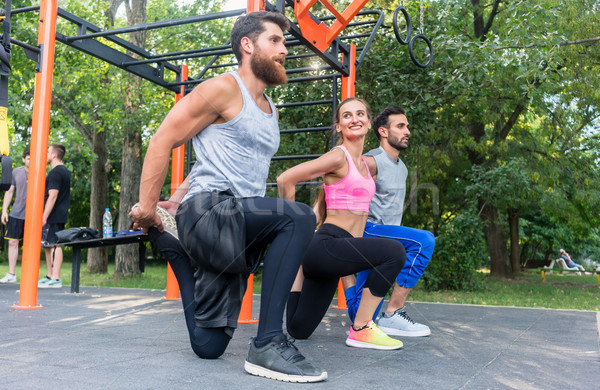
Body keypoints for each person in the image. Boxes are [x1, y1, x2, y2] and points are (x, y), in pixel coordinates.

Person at [129, 12, 327, 383]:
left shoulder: (270, 109)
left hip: (237, 224)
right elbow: (162, 140)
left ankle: (173, 246)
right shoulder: (222, 87)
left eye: (284, 42)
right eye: (275, 40)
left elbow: (212, 157)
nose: (284, 49)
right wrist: (147, 207)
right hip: (211, 212)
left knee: (209, 346)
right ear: (247, 45)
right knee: (299, 216)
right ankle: (268, 342)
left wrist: (176, 196)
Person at [278, 97, 407, 350]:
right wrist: (292, 230)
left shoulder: (365, 166)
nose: (354, 119)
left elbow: (328, 198)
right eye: (347, 115)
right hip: (328, 244)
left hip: (333, 255)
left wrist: (298, 260)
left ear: (369, 123)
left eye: (360, 114)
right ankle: (361, 328)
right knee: (394, 252)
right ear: (338, 126)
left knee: (298, 329)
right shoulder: (339, 157)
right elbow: (285, 179)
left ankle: (299, 268)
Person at [343, 106, 435, 337]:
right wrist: (342, 234)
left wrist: (345, 272)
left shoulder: (401, 167)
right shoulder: (372, 161)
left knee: (359, 317)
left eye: (407, 126)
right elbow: (340, 187)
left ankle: (346, 275)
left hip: (385, 240)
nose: (408, 131)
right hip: (369, 231)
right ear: (383, 131)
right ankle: (393, 313)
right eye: (401, 126)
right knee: (424, 241)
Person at [38, 143, 70, 288]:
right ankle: (50, 275)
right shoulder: (62, 171)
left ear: (54, 155)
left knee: (55, 245)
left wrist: (44, 216)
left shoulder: (56, 172)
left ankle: (56, 278)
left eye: (48, 151)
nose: (46, 154)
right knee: (47, 244)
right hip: (55, 214)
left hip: (55, 214)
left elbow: (53, 195)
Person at [0, 147, 30, 283]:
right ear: (24, 159)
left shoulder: (42, 174)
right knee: (12, 243)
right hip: (17, 213)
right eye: (28, 158)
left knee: (31, 246)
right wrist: (4, 210)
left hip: (33, 216)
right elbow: (9, 191)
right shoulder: (16, 172)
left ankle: (29, 275)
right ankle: (11, 274)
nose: (30, 160)